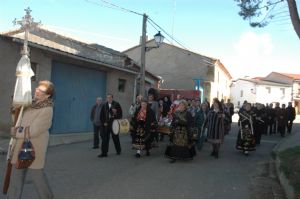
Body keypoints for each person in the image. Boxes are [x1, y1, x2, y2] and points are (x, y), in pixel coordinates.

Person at [8, 80, 55, 199]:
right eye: (37, 88)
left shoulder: (47, 109)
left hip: (34, 148)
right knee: (15, 179)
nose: (37, 90)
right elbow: (17, 121)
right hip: (19, 146)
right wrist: (15, 110)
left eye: (41, 90)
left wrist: (16, 132)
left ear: (48, 95)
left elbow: (34, 130)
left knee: (37, 178)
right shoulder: (29, 105)